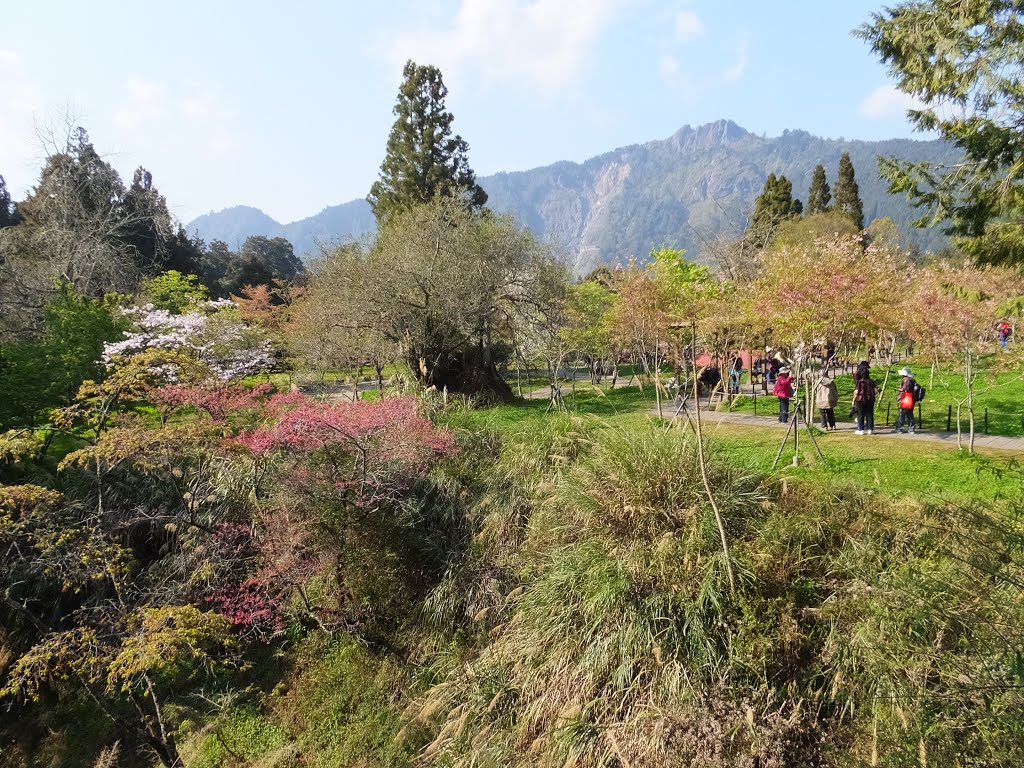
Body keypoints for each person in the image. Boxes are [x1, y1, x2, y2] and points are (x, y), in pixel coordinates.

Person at [852, 361, 876, 435]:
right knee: (870, 414)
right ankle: (870, 429)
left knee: (861, 415)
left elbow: (856, 392)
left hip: (861, 399)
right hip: (870, 400)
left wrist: (853, 400)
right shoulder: (871, 382)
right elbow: (875, 391)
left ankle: (861, 430)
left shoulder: (859, 383)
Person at [893, 366, 917, 433]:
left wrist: (897, 389)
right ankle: (911, 429)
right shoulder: (913, 380)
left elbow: (903, 389)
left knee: (902, 414)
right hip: (911, 399)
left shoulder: (906, 380)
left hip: (905, 399)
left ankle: (899, 428)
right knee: (910, 415)